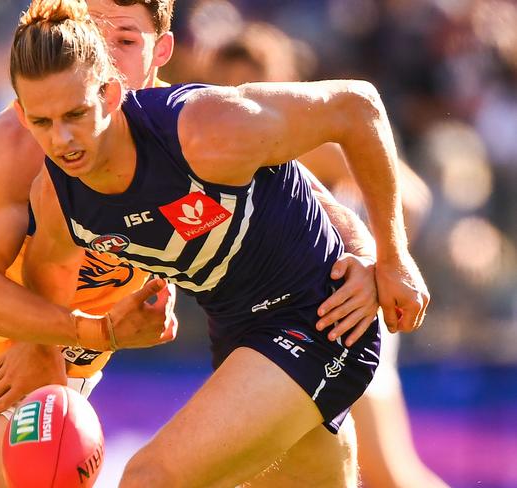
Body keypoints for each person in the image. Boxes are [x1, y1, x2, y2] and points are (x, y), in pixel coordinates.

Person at [0, 1, 377, 487]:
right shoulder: (25, 137)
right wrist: (63, 334)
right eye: (95, 30)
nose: (106, 51)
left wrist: (369, 254)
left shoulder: (190, 127)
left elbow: (303, 187)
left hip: (63, 368)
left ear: (161, 50)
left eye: (126, 39)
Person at [8, 1, 430, 486]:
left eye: (76, 114)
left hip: (321, 317)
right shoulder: (57, 197)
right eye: (42, 123)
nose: (63, 140)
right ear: (21, 116)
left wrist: (391, 258)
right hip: (237, 338)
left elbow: (358, 106)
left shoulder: (201, 128)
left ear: (108, 93)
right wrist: (77, 340)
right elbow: (45, 280)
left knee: (148, 478)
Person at [204, 22, 447, 488]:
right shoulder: (215, 149)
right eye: (225, 86)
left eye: (248, 85)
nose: (237, 98)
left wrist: (378, 266)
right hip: (292, 320)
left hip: (347, 308)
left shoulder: (306, 143)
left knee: (387, 472)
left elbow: (412, 199)